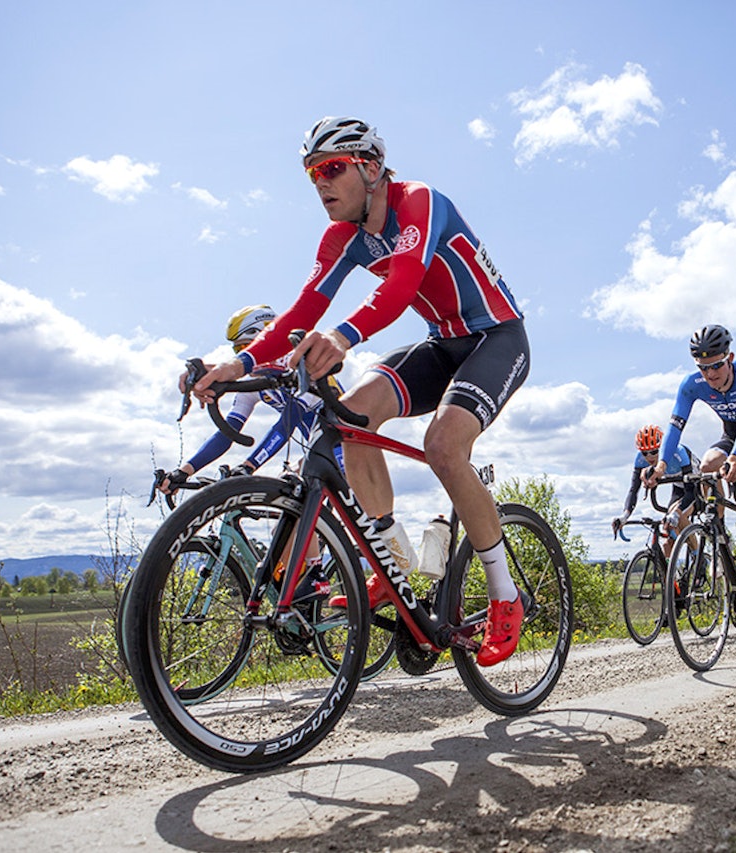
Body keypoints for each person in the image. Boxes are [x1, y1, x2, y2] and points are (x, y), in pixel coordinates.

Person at [192, 117, 530, 667]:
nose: (320, 184)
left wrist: (344, 337)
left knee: (444, 446)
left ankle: (504, 595)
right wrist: (240, 362)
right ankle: (391, 558)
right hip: (443, 344)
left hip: (496, 338)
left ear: (369, 167)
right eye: (311, 174)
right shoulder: (341, 237)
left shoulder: (418, 201)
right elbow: (303, 310)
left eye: (330, 169)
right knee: (351, 417)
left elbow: (402, 285)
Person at [645, 325, 736, 642]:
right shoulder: (691, 385)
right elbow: (675, 427)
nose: (710, 374)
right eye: (703, 368)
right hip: (732, 436)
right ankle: (717, 532)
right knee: (707, 464)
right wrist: (662, 465)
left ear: (730, 358)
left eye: (716, 365)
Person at [158, 305, 332, 493]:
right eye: (239, 350)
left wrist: (248, 466)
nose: (249, 354)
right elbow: (227, 432)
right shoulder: (254, 382)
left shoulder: (302, 368)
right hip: (321, 447)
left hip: (349, 444)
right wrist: (184, 471)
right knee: (291, 503)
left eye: (248, 346)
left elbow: (286, 424)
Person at [612, 425, 701, 558]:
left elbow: (690, 491)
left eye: (654, 451)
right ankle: (670, 577)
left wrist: (676, 513)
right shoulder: (640, 459)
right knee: (667, 538)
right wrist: (624, 517)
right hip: (678, 487)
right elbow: (633, 489)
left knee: (679, 516)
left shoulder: (678, 451)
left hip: (696, 487)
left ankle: (698, 557)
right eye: (644, 453)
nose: (649, 456)